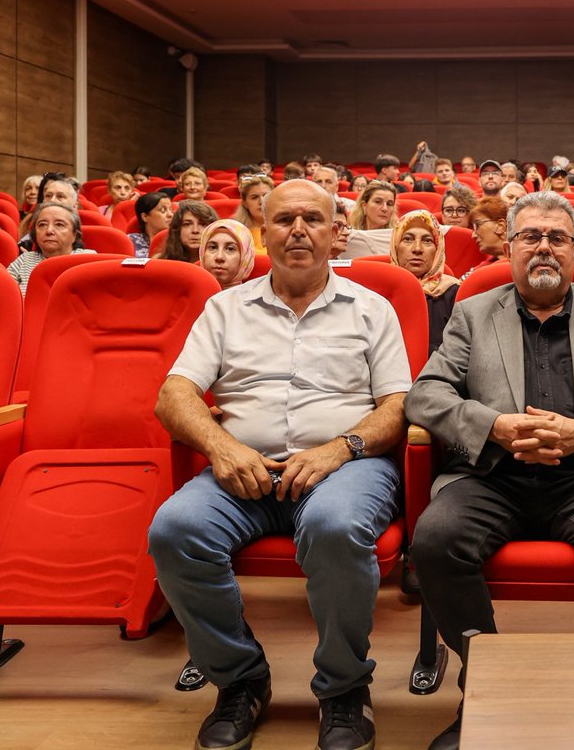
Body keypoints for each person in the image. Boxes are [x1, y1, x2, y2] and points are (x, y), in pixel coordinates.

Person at [405, 190, 574, 750]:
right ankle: (484, 686)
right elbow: (426, 395)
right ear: (509, 247)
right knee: (434, 540)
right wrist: (494, 427)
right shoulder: (474, 312)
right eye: (530, 236)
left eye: (557, 238)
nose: (544, 248)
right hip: (490, 476)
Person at [148, 180, 409, 750]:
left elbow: (397, 406)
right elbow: (174, 395)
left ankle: (343, 687)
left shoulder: (372, 309)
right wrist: (221, 447)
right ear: (263, 231)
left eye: (312, 219)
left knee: (334, 527)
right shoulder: (225, 308)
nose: (298, 230)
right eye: (284, 219)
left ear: (336, 231)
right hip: (244, 469)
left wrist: (340, 448)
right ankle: (240, 680)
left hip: (346, 466)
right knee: (175, 530)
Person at [390, 209, 460, 355]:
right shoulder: (378, 292)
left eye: (427, 240)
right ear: (395, 246)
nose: (417, 249)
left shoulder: (455, 293)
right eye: (408, 239)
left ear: (438, 249)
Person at [6, 202, 96, 295]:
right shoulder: (24, 260)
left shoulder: (89, 259)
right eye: (42, 225)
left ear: (74, 235)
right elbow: (6, 296)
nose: (49, 231)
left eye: (59, 225)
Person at [199, 218, 256, 289]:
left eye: (230, 249)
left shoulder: (256, 299)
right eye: (213, 247)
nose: (219, 257)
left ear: (245, 258)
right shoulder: (188, 295)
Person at [464, 196, 509, 276]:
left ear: (500, 226)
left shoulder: (526, 265)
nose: (473, 235)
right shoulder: (477, 271)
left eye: (477, 225)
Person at [231, 174, 275, 253]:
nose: (261, 201)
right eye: (254, 197)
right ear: (245, 203)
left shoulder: (286, 229)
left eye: (266, 196)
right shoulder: (234, 232)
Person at [129, 191, 175, 258]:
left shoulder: (179, 240)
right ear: (145, 217)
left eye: (171, 210)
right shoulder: (131, 241)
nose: (170, 215)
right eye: (163, 210)